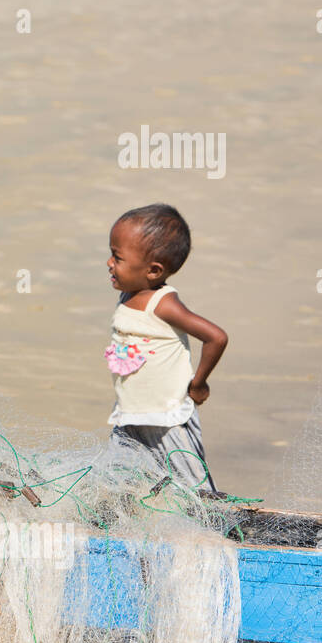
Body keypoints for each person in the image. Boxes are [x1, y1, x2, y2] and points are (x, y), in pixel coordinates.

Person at [104, 204, 228, 492]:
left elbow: (216, 337)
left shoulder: (164, 304)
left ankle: (216, 534)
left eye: (118, 257)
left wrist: (199, 384)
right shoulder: (127, 294)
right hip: (130, 415)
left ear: (153, 270)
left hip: (167, 419)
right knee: (115, 487)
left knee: (195, 492)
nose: (110, 263)